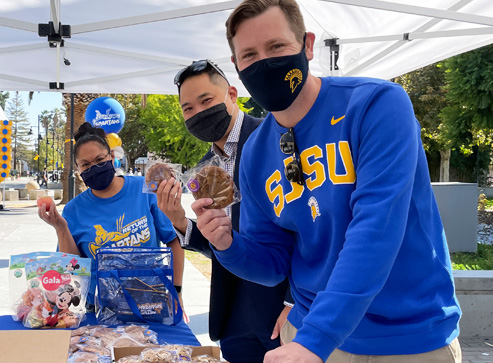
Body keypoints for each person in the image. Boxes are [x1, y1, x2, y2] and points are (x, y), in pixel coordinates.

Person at [193, 1, 462, 362]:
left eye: (276, 47)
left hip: (404, 339)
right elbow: (272, 263)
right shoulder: (256, 153)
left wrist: (315, 339)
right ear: (237, 69)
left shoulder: (376, 104)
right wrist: (227, 244)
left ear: (307, 45)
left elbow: (376, 229)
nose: (264, 63)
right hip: (310, 332)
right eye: (249, 55)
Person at [155, 59, 291, 363]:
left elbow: (311, 226)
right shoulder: (205, 168)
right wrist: (178, 220)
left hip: (282, 306)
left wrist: (296, 302)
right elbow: (220, 243)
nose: (198, 113)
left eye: (206, 100)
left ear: (232, 94)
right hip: (233, 313)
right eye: (188, 108)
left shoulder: (277, 138)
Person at [38, 122, 185, 308]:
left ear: (112, 156)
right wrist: (60, 227)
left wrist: (176, 290)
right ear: (78, 168)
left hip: (149, 303)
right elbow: (72, 266)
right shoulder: (73, 210)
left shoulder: (145, 190)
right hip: (99, 308)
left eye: (100, 160)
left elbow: (174, 240)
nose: (94, 167)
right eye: (86, 164)